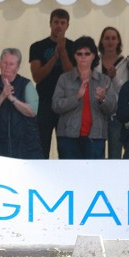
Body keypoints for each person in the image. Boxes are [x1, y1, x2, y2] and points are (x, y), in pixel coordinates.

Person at [52, 36, 117, 159]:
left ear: (93, 56)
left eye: (87, 53)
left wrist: (102, 99)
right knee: (68, 176)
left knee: (94, 177)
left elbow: (112, 108)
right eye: (79, 53)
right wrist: (76, 97)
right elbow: (56, 105)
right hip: (68, 137)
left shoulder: (104, 80)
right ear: (74, 56)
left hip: (96, 136)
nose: (83, 57)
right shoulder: (64, 79)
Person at [0, 48, 41, 159]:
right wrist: (2, 96)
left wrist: (12, 98)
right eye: (5, 62)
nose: (7, 66)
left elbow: (32, 112)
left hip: (25, 148)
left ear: (17, 68)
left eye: (11, 64)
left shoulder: (26, 84)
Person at [28, 9, 74, 157]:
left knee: (66, 149)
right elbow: (37, 76)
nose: (59, 26)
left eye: (62, 23)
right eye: (56, 22)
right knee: (42, 147)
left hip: (66, 104)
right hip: (44, 102)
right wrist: (55, 57)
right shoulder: (37, 47)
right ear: (50, 24)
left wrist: (63, 52)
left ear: (67, 25)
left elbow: (72, 76)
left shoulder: (74, 47)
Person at [98, 26, 127, 158]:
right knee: (97, 155)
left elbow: (125, 90)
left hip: (116, 114)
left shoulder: (125, 62)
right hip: (97, 113)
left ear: (118, 41)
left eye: (113, 38)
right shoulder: (94, 62)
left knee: (114, 155)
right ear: (102, 41)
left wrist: (114, 78)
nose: (110, 41)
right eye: (107, 38)